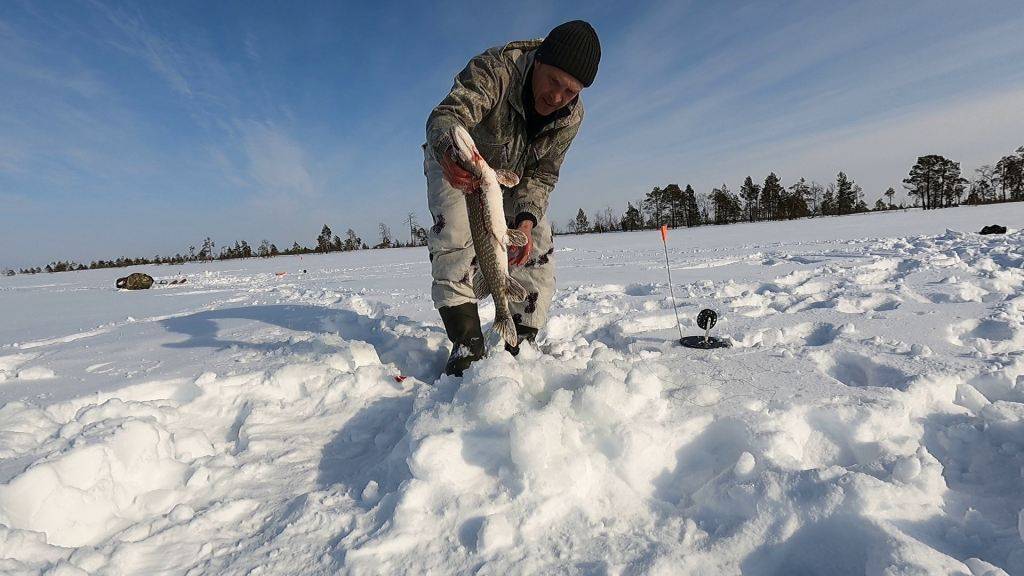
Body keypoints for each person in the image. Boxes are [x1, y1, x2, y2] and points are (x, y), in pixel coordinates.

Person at [423, 20, 601, 376]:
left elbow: (543, 174)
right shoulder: (497, 69)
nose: (557, 97)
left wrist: (525, 218)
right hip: (458, 159)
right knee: (455, 238)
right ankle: (467, 342)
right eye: (553, 81)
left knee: (537, 246)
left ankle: (519, 338)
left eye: (570, 91)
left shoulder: (571, 116)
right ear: (538, 61)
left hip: (510, 178)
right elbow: (446, 117)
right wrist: (449, 152)